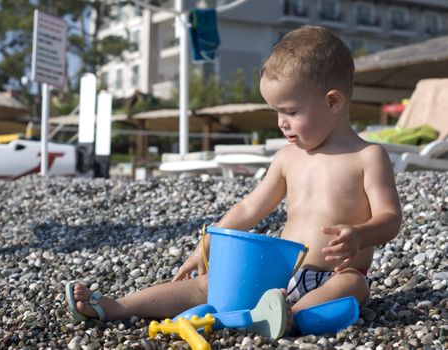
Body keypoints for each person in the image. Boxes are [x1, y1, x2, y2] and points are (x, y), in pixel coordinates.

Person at [66, 25, 402, 335]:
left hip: (335, 275)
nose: (281, 123)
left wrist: (359, 235)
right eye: (276, 112)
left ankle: (288, 317)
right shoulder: (288, 158)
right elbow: (249, 207)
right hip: (280, 273)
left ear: (332, 101)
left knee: (353, 288)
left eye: (291, 112)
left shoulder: (367, 157)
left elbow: (390, 219)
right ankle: (119, 306)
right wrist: (207, 243)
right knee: (207, 284)